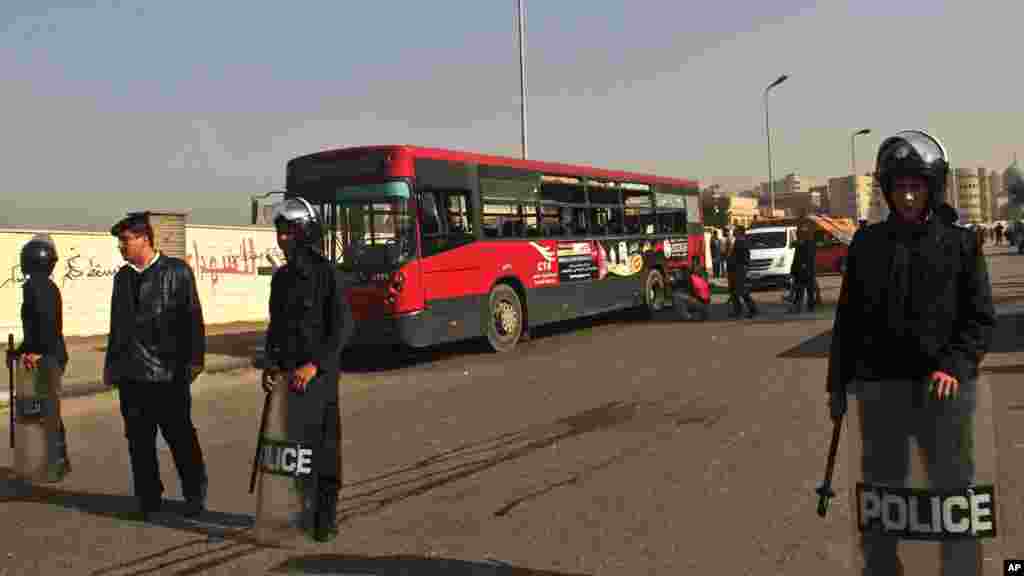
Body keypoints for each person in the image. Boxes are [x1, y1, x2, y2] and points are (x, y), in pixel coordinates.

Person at [827, 131, 996, 575]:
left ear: (932, 187)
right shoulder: (867, 245)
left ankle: (961, 570)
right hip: (881, 397)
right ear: (887, 190)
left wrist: (955, 367)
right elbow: (847, 324)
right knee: (884, 497)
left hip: (944, 398)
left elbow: (980, 321)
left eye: (915, 186)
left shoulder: (962, 245)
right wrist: (838, 387)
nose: (906, 196)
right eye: (899, 187)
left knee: (952, 495)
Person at [104, 212, 207, 520]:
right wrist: (112, 365)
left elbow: (193, 320)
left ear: (144, 239)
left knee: (180, 437)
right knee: (138, 441)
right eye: (119, 242)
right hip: (131, 375)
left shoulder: (176, 272)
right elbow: (117, 326)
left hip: (168, 374)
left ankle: (194, 494)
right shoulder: (122, 278)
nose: (121, 247)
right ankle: (148, 498)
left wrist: (193, 363)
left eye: (125, 241)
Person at [261, 197, 352, 542]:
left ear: (305, 232)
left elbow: (343, 328)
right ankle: (302, 510)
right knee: (294, 452)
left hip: (319, 379)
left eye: (290, 231)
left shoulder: (328, 274)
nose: (283, 238)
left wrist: (315, 365)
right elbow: (275, 328)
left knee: (323, 452)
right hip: (287, 379)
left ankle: (325, 517)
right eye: (280, 232)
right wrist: (270, 364)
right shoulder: (281, 279)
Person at [16, 234, 71, 476]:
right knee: (48, 410)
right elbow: (36, 327)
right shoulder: (46, 286)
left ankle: (55, 463)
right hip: (50, 354)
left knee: (48, 411)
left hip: (48, 356)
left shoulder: (35, 287)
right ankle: (55, 460)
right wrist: (22, 350)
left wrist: (36, 353)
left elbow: (47, 325)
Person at [727, 226, 758, 318]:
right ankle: (737, 310)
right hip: (735, 269)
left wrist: (744, 267)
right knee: (733, 291)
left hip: (739, 270)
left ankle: (752, 309)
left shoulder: (742, 242)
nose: (734, 232)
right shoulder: (737, 241)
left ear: (740, 232)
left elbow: (745, 257)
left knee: (741, 291)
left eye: (736, 230)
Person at [788, 224, 817, 313]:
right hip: (801, 271)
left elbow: (808, 257)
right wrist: (793, 270)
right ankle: (799, 307)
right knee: (801, 290)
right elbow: (793, 248)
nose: (799, 235)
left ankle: (807, 307)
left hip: (806, 271)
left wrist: (803, 266)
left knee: (806, 290)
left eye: (801, 233)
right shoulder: (801, 243)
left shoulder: (809, 243)